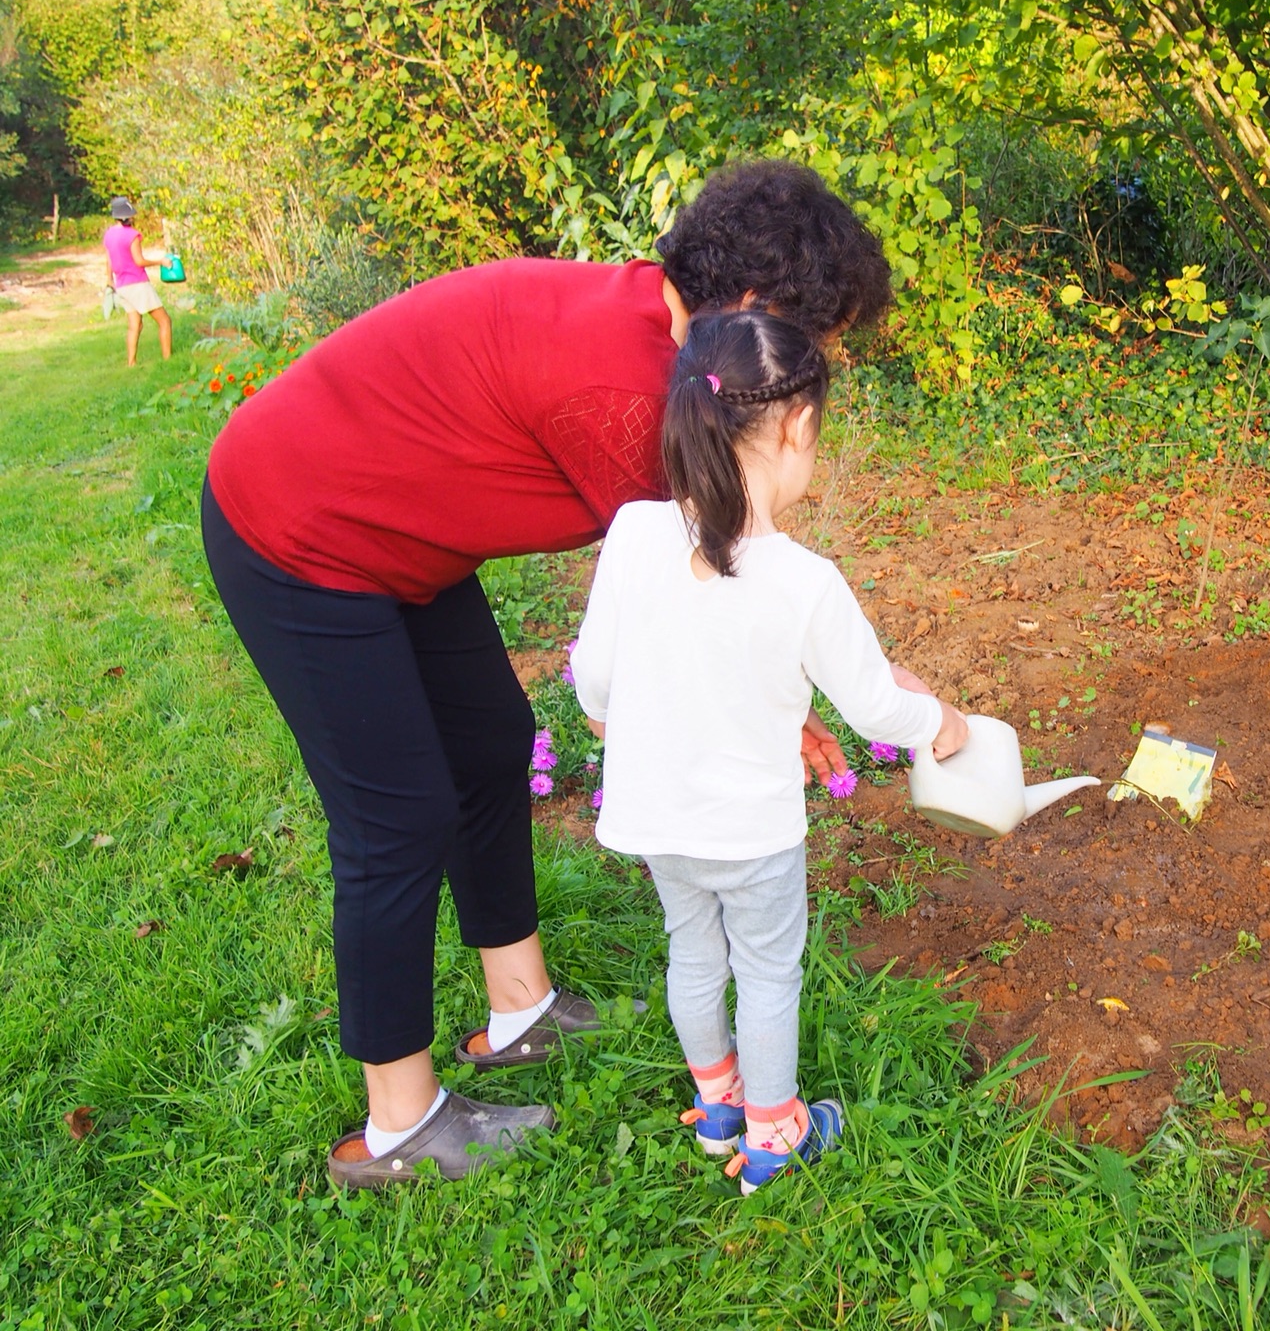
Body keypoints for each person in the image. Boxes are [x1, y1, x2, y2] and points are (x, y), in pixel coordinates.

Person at [198, 161, 894, 1190]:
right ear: (752, 313)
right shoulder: (633, 397)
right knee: (398, 822)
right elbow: (701, 607)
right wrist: (806, 704)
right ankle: (399, 1124)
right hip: (299, 529)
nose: (820, 364)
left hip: (400, 534)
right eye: (819, 342)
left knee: (486, 743)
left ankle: (519, 1008)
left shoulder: (662, 339)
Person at [569, 309, 968, 1194]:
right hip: (752, 835)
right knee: (767, 972)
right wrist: (940, 720)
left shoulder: (634, 535)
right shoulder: (804, 582)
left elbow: (595, 682)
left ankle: (717, 1107)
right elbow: (871, 705)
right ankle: (774, 1134)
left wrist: (642, 724)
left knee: (692, 951)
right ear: (796, 429)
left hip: (660, 823)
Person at [101, 196, 172, 366]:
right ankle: (168, 360)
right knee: (164, 321)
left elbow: (109, 260)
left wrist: (109, 279)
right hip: (138, 283)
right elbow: (139, 261)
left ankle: (131, 363)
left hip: (122, 285)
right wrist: (161, 261)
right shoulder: (132, 235)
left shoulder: (109, 234)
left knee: (135, 325)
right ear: (128, 216)